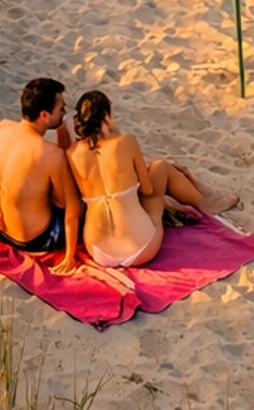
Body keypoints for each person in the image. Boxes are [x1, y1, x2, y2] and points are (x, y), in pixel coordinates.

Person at [66, 90, 237, 273]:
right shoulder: (125, 141)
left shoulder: (71, 153)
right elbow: (147, 189)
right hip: (140, 248)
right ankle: (205, 205)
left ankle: (202, 200)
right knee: (161, 168)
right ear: (107, 117)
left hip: (99, 252)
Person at [0, 78, 82, 274]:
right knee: (83, 195)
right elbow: (67, 206)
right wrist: (69, 256)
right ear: (44, 115)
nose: (64, 113)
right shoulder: (50, 154)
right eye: (61, 109)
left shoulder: (2, 127)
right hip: (32, 240)